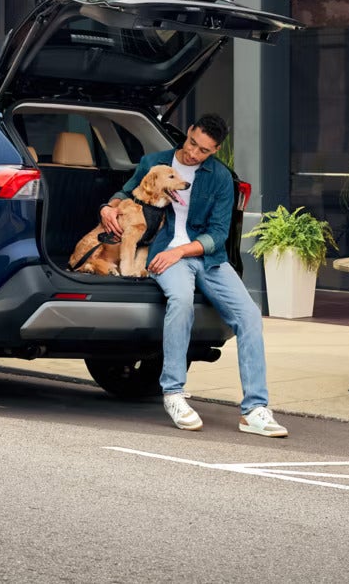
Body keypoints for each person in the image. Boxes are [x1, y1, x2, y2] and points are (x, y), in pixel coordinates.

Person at [100, 113, 286, 437]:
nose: (193, 154)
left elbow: (218, 233)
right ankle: (173, 394)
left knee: (249, 316)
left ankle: (255, 410)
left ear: (214, 152)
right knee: (182, 300)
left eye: (203, 151)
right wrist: (108, 207)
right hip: (164, 253)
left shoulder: (220, 178)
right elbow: (126, 192)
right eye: (192, 144)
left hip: (206, 257)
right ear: (188, 132)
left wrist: (182, 250)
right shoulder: (154, 163)